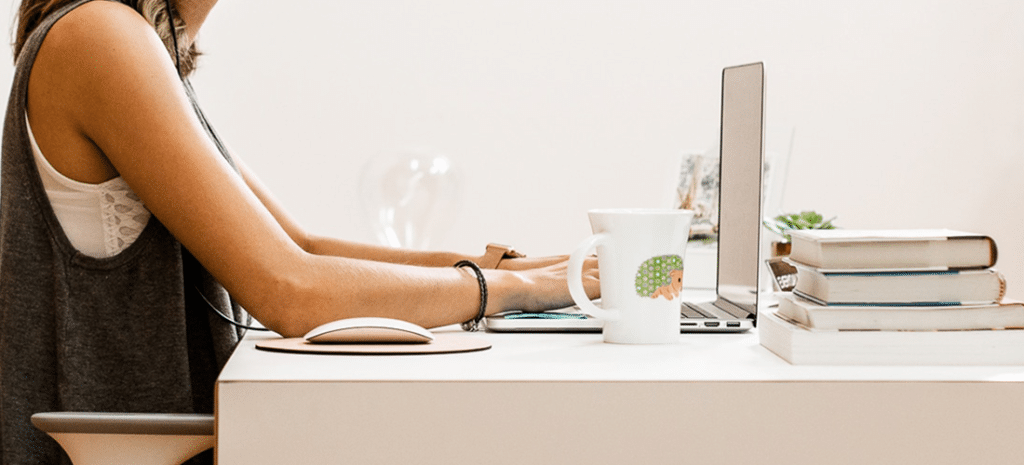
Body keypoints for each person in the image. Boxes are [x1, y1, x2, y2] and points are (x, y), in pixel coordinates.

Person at [1, 0, 600, 462]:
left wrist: (530, 271)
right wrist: (517, 291)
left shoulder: (129, 42)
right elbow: (291, 290)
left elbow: (300, 247)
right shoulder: (99, 34)